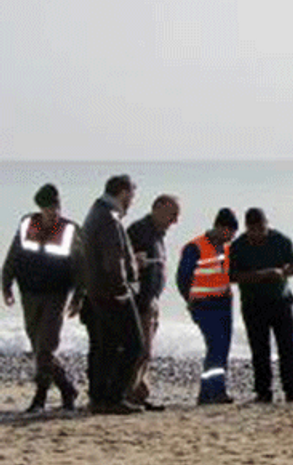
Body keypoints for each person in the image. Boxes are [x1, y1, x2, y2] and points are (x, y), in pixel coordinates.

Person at [2, 183, 81, 412]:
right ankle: (66, 388)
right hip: (28, 293)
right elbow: (13, 254)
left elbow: (80, 266)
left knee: (45, 348)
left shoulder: (69, 230)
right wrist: (5, 284)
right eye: (47, 208)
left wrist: (78, 296)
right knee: (38, 349)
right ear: (40, 208)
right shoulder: (27, 223)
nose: (52, 212)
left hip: (55, 295)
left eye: (55, 207)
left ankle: (41, 395)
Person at [75, 174, 144, 414]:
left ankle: (100, 397)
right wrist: (125, 290)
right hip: (111, 294)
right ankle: (114, 397)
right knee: (134, 344)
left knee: (105, 347)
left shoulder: (96, 213)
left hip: (96, 292)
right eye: (132, 196)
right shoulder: (108, 219)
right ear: (123, 193)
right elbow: (112, 262)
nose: (132, 201)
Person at [228, 208, 293, 403]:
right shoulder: (238, 246)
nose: (258, 234)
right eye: (253, 230)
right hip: (253, 304)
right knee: (259, 350)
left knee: (287, 349)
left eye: (262, 229)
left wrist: (282, 273)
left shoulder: (280, 240)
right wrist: (258, 276)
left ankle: (292, 390)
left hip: (281, 302)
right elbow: (230, 276)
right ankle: (263, 391)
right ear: (247, 228)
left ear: (266, 224)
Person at [125, 194, 181, 410]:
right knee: (141, 351)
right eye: (172, 214)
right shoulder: (139, 231)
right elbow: (127, 266)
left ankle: (138, 393)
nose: (175, 221)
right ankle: (129, 394)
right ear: (157, 208)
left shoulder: (157, 234)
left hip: (151, 300)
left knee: (146, 352)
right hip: (140, 301)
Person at [177, 207, 238, 404]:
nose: (230, 238)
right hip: (204, 304)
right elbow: (182, 278)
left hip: (223, 302)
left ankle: (217, 390)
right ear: (220, 227)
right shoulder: (195, 247)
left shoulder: (227, 247)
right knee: (215, 347)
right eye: (229, 233)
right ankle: (207, 393)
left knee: (222, 348)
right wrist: (190, 300)